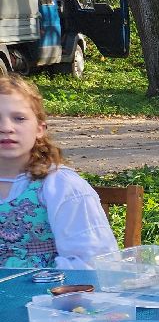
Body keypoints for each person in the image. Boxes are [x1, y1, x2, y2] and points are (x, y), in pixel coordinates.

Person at [0, 75, 119, 267]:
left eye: (19, 118)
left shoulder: (61, 186)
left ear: (40, 129)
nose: (6, 128)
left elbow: (94, 263)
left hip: (44, 294)